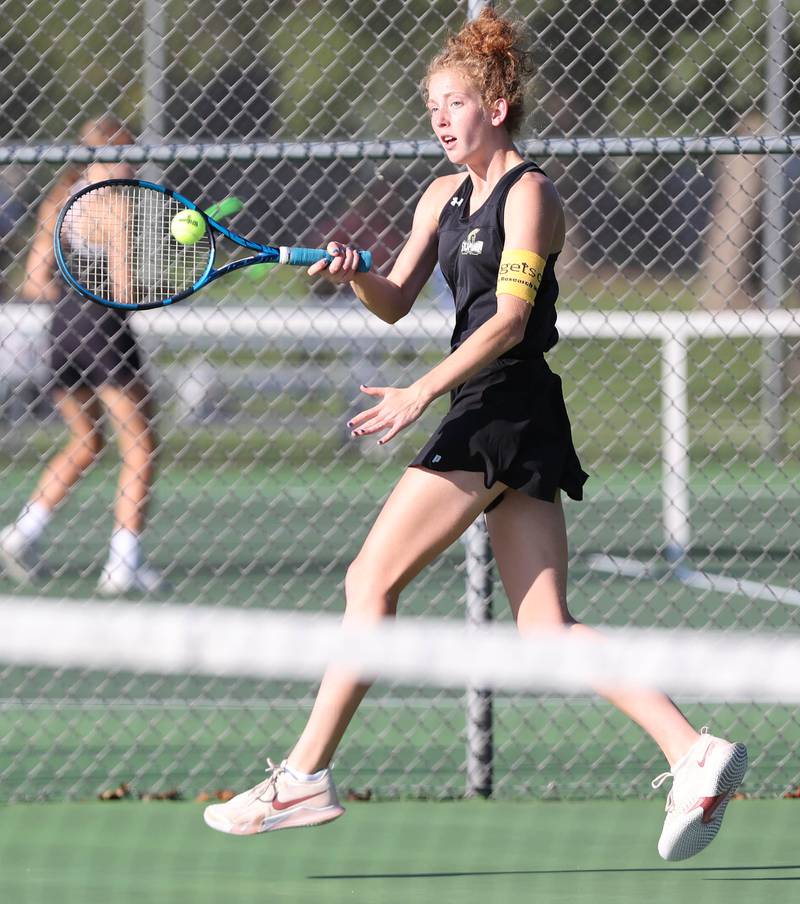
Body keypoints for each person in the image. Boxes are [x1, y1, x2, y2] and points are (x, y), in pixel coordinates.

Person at [202, 9, 747, 861]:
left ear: (496, 104)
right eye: (431, 108)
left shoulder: (532, 194)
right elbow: (395, 299)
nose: (440, 120)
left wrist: (421, 391)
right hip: (500, 406)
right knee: (545, 630)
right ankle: (692, 750)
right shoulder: (439, 197)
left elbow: (510, 318)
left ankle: (305, 774)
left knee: (368, 579)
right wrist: (355, 277)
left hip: (499, 404)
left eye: (453, 103)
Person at [0, 115, 162, 595]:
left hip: (62, 328)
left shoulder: (60, 198)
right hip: (104, 329)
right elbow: (125, 288)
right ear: (103, 157)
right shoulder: (115, 206)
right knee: (141, 445)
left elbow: (35, 281)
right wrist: (163, 284)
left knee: (88, 441)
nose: (134, 166)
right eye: (126, 156)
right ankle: (122, 564)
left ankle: (22, 532)